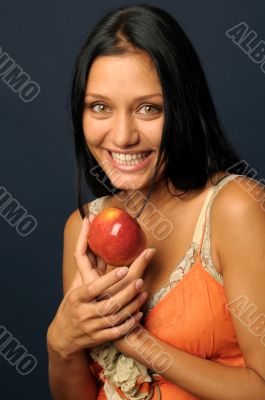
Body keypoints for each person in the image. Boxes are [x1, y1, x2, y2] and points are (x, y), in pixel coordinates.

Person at [46, 4, 265, 399]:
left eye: (149, 108)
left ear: (184, 108)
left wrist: (137, 342)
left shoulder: (237, 207)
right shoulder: (83, 228)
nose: (123, 135)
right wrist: (61, 343)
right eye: (100, 107)